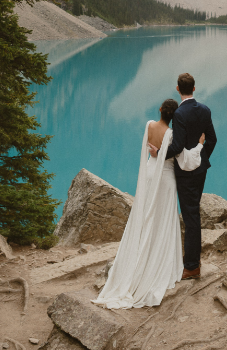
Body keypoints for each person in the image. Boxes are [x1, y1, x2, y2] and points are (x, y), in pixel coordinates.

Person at [92, 97, 205, 309]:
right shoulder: (172, 135)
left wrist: (157, 153)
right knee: (163, 220)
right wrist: (199, 145)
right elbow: (186, 161)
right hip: (166, 179)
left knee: (147, 216)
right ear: (174, 116)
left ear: (161, 110)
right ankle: (158, 261)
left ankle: (139, 259)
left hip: (150, 173)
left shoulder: (149, 125)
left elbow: (149, 151)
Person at [159, 72, 217, 279]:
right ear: (194, 88)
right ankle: (193, 261)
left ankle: (192, 267)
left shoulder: (179, 114)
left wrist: (158, 155)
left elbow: (176, 146)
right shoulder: (205, 110)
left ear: (178, 89)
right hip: (200, 171)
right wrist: (200, 158)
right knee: (193, 213)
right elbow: (212, 139)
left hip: (184, 173)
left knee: (191, 215)